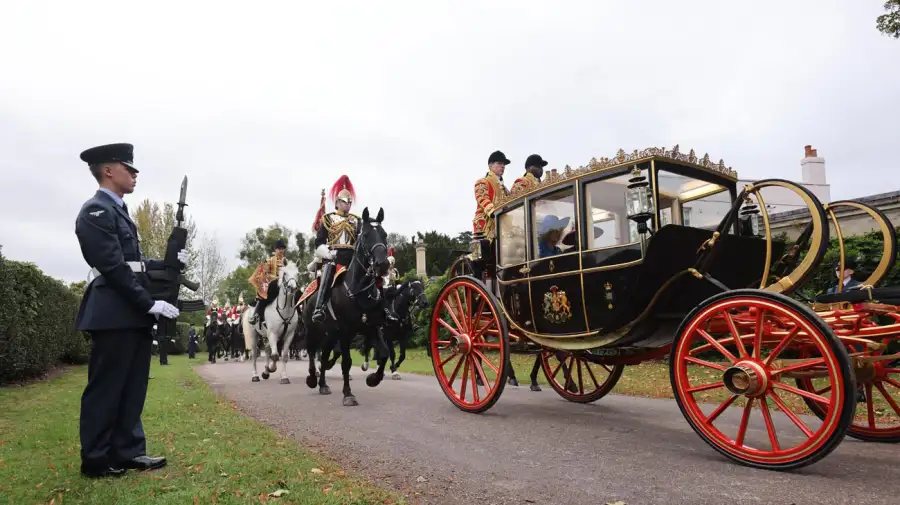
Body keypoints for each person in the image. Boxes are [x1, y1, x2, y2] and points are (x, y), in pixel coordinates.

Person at [74, 143, 185, 478]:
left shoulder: (119, 210)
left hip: (130, 313)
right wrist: (149, 303)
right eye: (128, 167)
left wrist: (167, 263)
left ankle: (127, 451)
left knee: (133, 386)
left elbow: (135, 264)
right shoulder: (95, 211)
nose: (134, 173)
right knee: (107, 387)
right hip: (112, 312)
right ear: (108, 170)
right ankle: (96, 458)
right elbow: (113, 267)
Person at [247, 240, 288, 325]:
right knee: (263, 297)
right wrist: (276, 278)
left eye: (283, 249)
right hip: (272, 285)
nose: (281, 250)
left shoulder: (286, 261)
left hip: (284, 285)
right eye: (279, 249)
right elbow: (265, 273)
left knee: (294, 294)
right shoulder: (270, 260)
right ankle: (255, 315)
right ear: (276, 250)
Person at [472, 150, 510, 240]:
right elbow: (482, 199)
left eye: (504, 164)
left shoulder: (504, 188)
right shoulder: (482, 182)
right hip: (485, 226)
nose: (503, 166)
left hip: (502, 227)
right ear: (490, 166)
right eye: (499, 163)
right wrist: (495, 211)